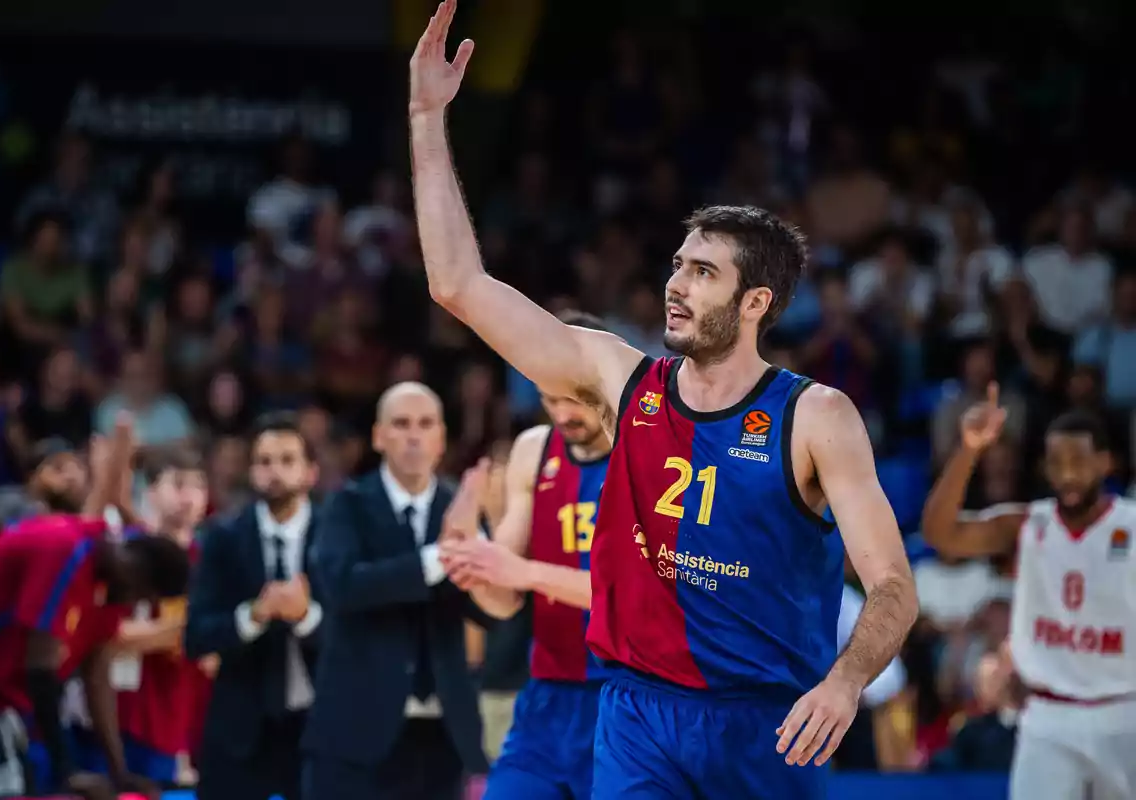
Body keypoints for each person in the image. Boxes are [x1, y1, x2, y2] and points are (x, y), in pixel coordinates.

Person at [407, 5, 917, 798]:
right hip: (637, 713)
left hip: (767, 722)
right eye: (677, 264)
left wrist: (847, 681)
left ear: (756, 303)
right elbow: (458, 286)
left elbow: (892, 586)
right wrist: (427, 120)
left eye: (703, 272)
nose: (676, 284)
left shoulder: (814, 417)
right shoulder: (621, 379)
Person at [922, 392, 1136, 799]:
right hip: (1048, 719)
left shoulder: (1130, 527)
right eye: (1057, 463)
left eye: (1079, 461)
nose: (1067, 474)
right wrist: (968, 451)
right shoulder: (1026, 524)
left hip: (1124, 711)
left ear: (1106, 462)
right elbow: (939, 533)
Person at [303, 382, 507, 800]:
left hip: (443, 732)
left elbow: (489, 614)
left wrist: (488, 559)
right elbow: (342, 587)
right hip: (356, 732)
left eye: (425, 424)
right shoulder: (347, 505)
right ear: (378, 436)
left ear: (441, 438)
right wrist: (438, 559)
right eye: (401, 424)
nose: (414, 435)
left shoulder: (461, 508)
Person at [441, 312, 614, 800]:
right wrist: (473, 562)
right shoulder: (533, 449)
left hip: (626, 695)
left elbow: (629, 593)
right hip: (547, 693)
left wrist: (522, 570)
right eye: (547, 398)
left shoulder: (642, 449)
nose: (561, 413)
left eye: (572, 398)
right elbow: (506, 599)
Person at [0, 480, 192, 800]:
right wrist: (66, 770)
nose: (131, 604)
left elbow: (97, 676)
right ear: (138, 577)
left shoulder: (108, 587)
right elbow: (39, 668)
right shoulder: (68, 549)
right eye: (140, 595)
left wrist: (119, 771)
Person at [185, 412, 322, 800]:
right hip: (239, 731)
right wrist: (253, 615)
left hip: (321, 728)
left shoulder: (338, 534)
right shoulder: (222, 537)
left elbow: (360, 635)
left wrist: (306, 616)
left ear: (310, 472)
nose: (274, 472)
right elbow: (196, 636)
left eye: (286, 460)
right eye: (264, 461)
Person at [73, 448, 209, 785]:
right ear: (149, 492)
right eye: (178, 484)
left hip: (166, 724)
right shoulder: (121, 553)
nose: (188, 497)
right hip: (99, 718)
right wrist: (179, 631)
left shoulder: (209, 563)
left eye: (197, 486)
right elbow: (98, 634)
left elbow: (205, 650)